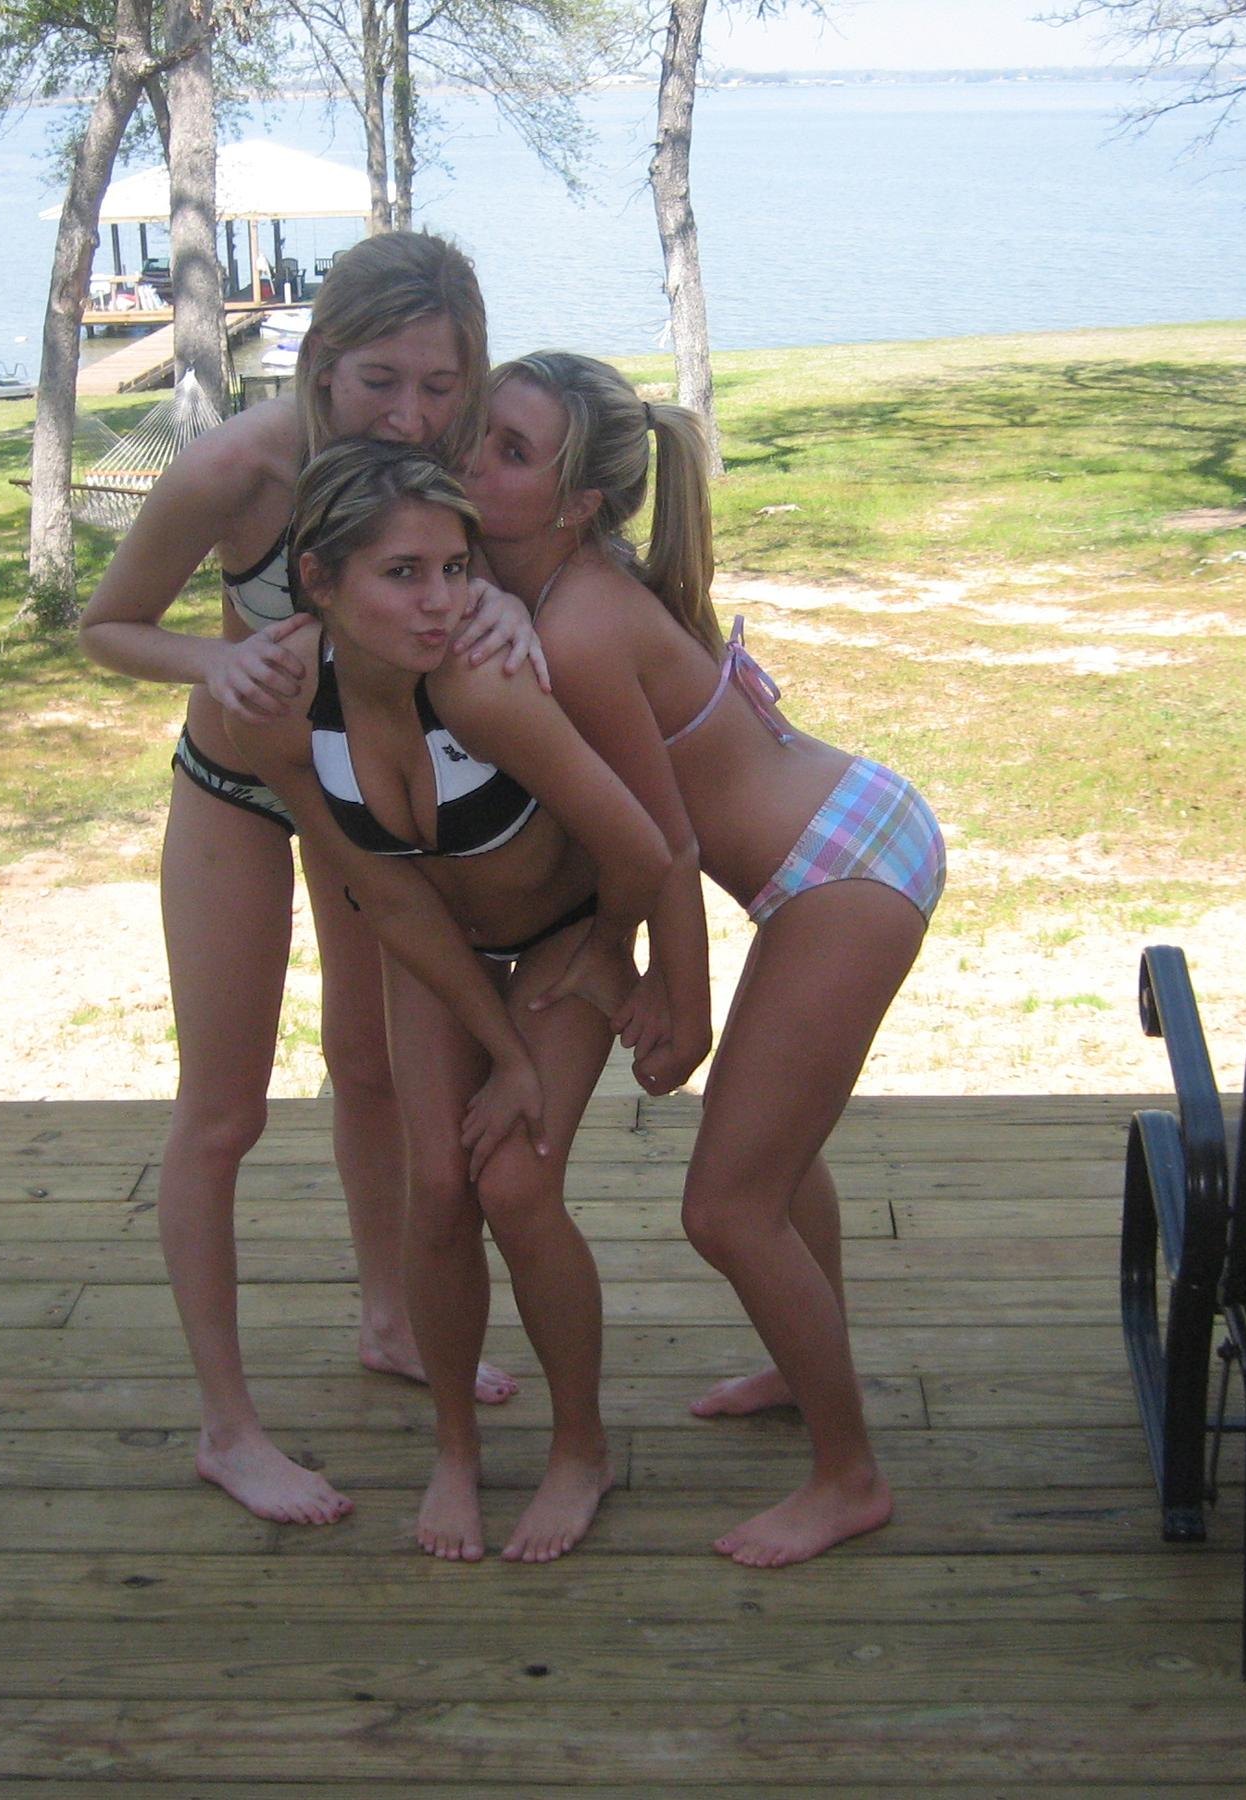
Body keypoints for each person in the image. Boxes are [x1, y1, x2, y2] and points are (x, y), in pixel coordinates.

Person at [77, 232, 540, 1528]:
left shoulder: (460, 461)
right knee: (222, 1112)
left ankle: (390, 1319)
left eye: (440, 384)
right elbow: (107, 623)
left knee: (374, 1066)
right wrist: (211, 663)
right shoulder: (238, 469)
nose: (412, 415)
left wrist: (514, 606)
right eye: (380, 380)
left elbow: (536, 566)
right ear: (321, 358)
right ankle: (228, 1429)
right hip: (238, 785)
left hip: (367, 797)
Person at [460, 351, 948, 1567]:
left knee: (726, 1208)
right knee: (774, 1161)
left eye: (510, 451)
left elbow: (666, 845)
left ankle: (849, 1477)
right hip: (850, 829)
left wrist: (682, 1008)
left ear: (577, 502)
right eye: (481, 430)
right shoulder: (562, 585)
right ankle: (802, 1369)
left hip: (840, 878)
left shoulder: (577, 625)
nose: (472, 458)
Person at [224, 439, 672, 1563]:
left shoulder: (480, 683)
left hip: (567, 934)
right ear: (320, 580)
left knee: (515, 1186)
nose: (443, 601)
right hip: (437, 948)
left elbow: (644, 850)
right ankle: (456, 1454)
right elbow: (383, 894)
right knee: (435, 1188)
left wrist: (605, 959)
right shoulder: (281, 709)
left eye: (459, 568)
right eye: (404, 573)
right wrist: (500, 1051)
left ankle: (580, 1449)